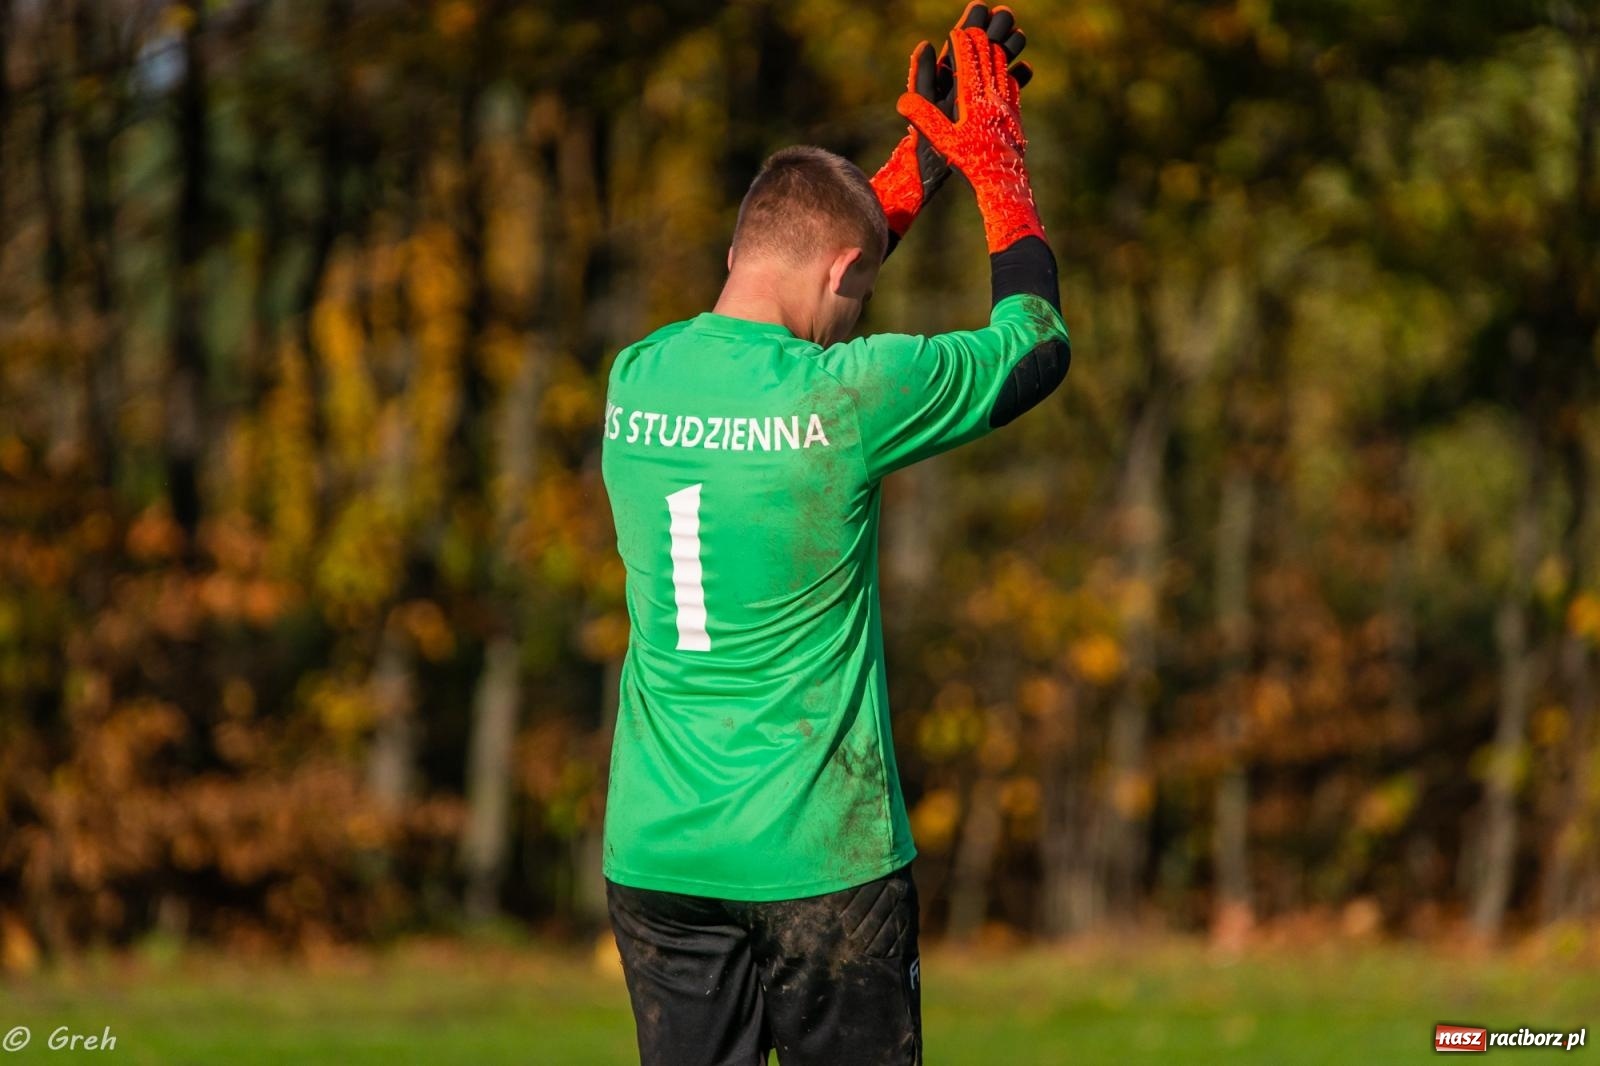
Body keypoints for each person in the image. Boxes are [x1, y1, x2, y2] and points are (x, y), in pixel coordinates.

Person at [599, 5, 1069, 1063]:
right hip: (820, 861)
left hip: (658, 855)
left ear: (734, 244)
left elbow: (802, 269)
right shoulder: (844, 399)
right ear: (847, 273)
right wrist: (994, 175)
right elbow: (1033, 345)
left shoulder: (636, 378)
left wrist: (901, 181)